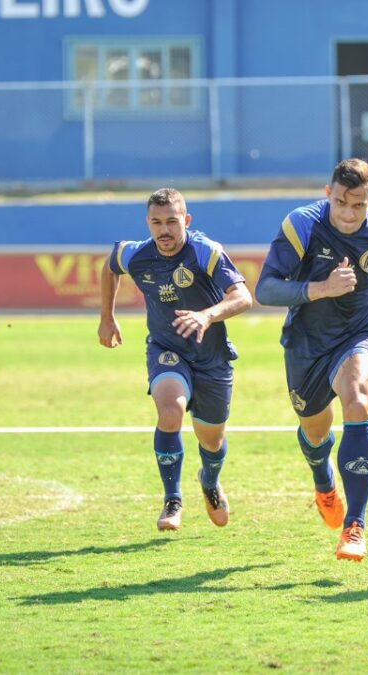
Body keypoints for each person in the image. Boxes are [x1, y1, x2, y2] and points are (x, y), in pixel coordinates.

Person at [255, 158, 368, 562]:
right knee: (314, 433)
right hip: (306, 344)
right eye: (341, 202)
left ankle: (355, 526)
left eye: (358, 205)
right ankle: (323, 479)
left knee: (358, 398)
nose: (348, 214)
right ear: (328, 193)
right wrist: (321, 288)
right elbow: (267, 290)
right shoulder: (302, 224)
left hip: (358, 335)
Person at [98, 188, 252, 531]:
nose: (164, 230)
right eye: (156, 222)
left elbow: (243, 297)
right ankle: (173, 500)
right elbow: (110, 267)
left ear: (187, 220)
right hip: (168, 349)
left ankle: (210, 480)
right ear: (148, 223)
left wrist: (207, 316)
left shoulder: (205, 252)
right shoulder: (136, 254)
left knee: (211, 439)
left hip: (212, 356)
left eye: (171, 221)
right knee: (170, 411)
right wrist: (106, 317)